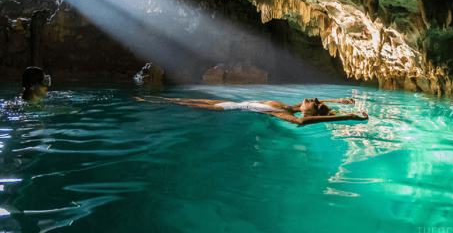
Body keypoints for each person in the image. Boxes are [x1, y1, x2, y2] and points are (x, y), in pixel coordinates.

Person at [135, 96, 368, 126]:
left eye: (315, 103)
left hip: (230, 109)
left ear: (310, 111)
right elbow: (305, 110)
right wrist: (336, 100)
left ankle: (149, 102)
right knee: (178, 99)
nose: (314, 98)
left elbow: (301, 122)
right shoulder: (293, 107)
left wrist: (348, 117)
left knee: (181, 103)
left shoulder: (287, 115)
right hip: (234, 103)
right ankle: (153, 99)